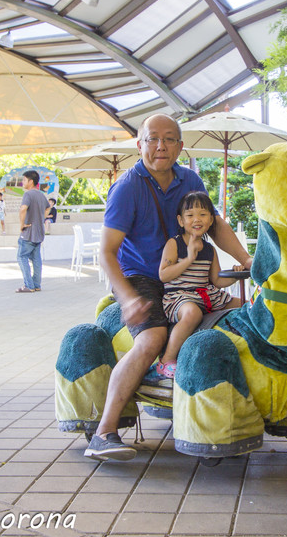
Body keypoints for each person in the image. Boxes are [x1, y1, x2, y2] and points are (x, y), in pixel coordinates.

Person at [85, 113, 252, 461]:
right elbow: (106, 252)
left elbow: (213, 223)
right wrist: (128, 297)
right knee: (151, 338)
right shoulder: (128, 187)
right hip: (142, 277)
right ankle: (104, 432)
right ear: (140, 144)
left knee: (242, 315)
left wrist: (246, 259)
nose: (161, 146)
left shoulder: (189, 178)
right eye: (152, 138)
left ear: (179, 145)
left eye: (169, 139)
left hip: (185, 275)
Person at [153, 191, 243, 381]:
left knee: (244, 304)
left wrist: (236, 275)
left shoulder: (209, 249)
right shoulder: (174, 243)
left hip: (206, 294)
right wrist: (189, 258)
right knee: (193, 313)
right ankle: (166, 359)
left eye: (203, 214)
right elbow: (164, 274)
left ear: (211, 220)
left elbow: (217, 281)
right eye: (190, 215)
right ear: (180, 220)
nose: (197, 219)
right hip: (179, 296)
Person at [15, 170, 48, 293]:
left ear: (31, 181)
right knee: (36, 259)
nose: (22, 182)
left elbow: (23, 209)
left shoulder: (28, 195)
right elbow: (48, 208)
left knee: (21, 257)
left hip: (28, 232)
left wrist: (22, 224)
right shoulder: (41, 195)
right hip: (39, 232)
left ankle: (28, 285)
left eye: (24, 180)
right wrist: (41, 218)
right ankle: (36, 284)